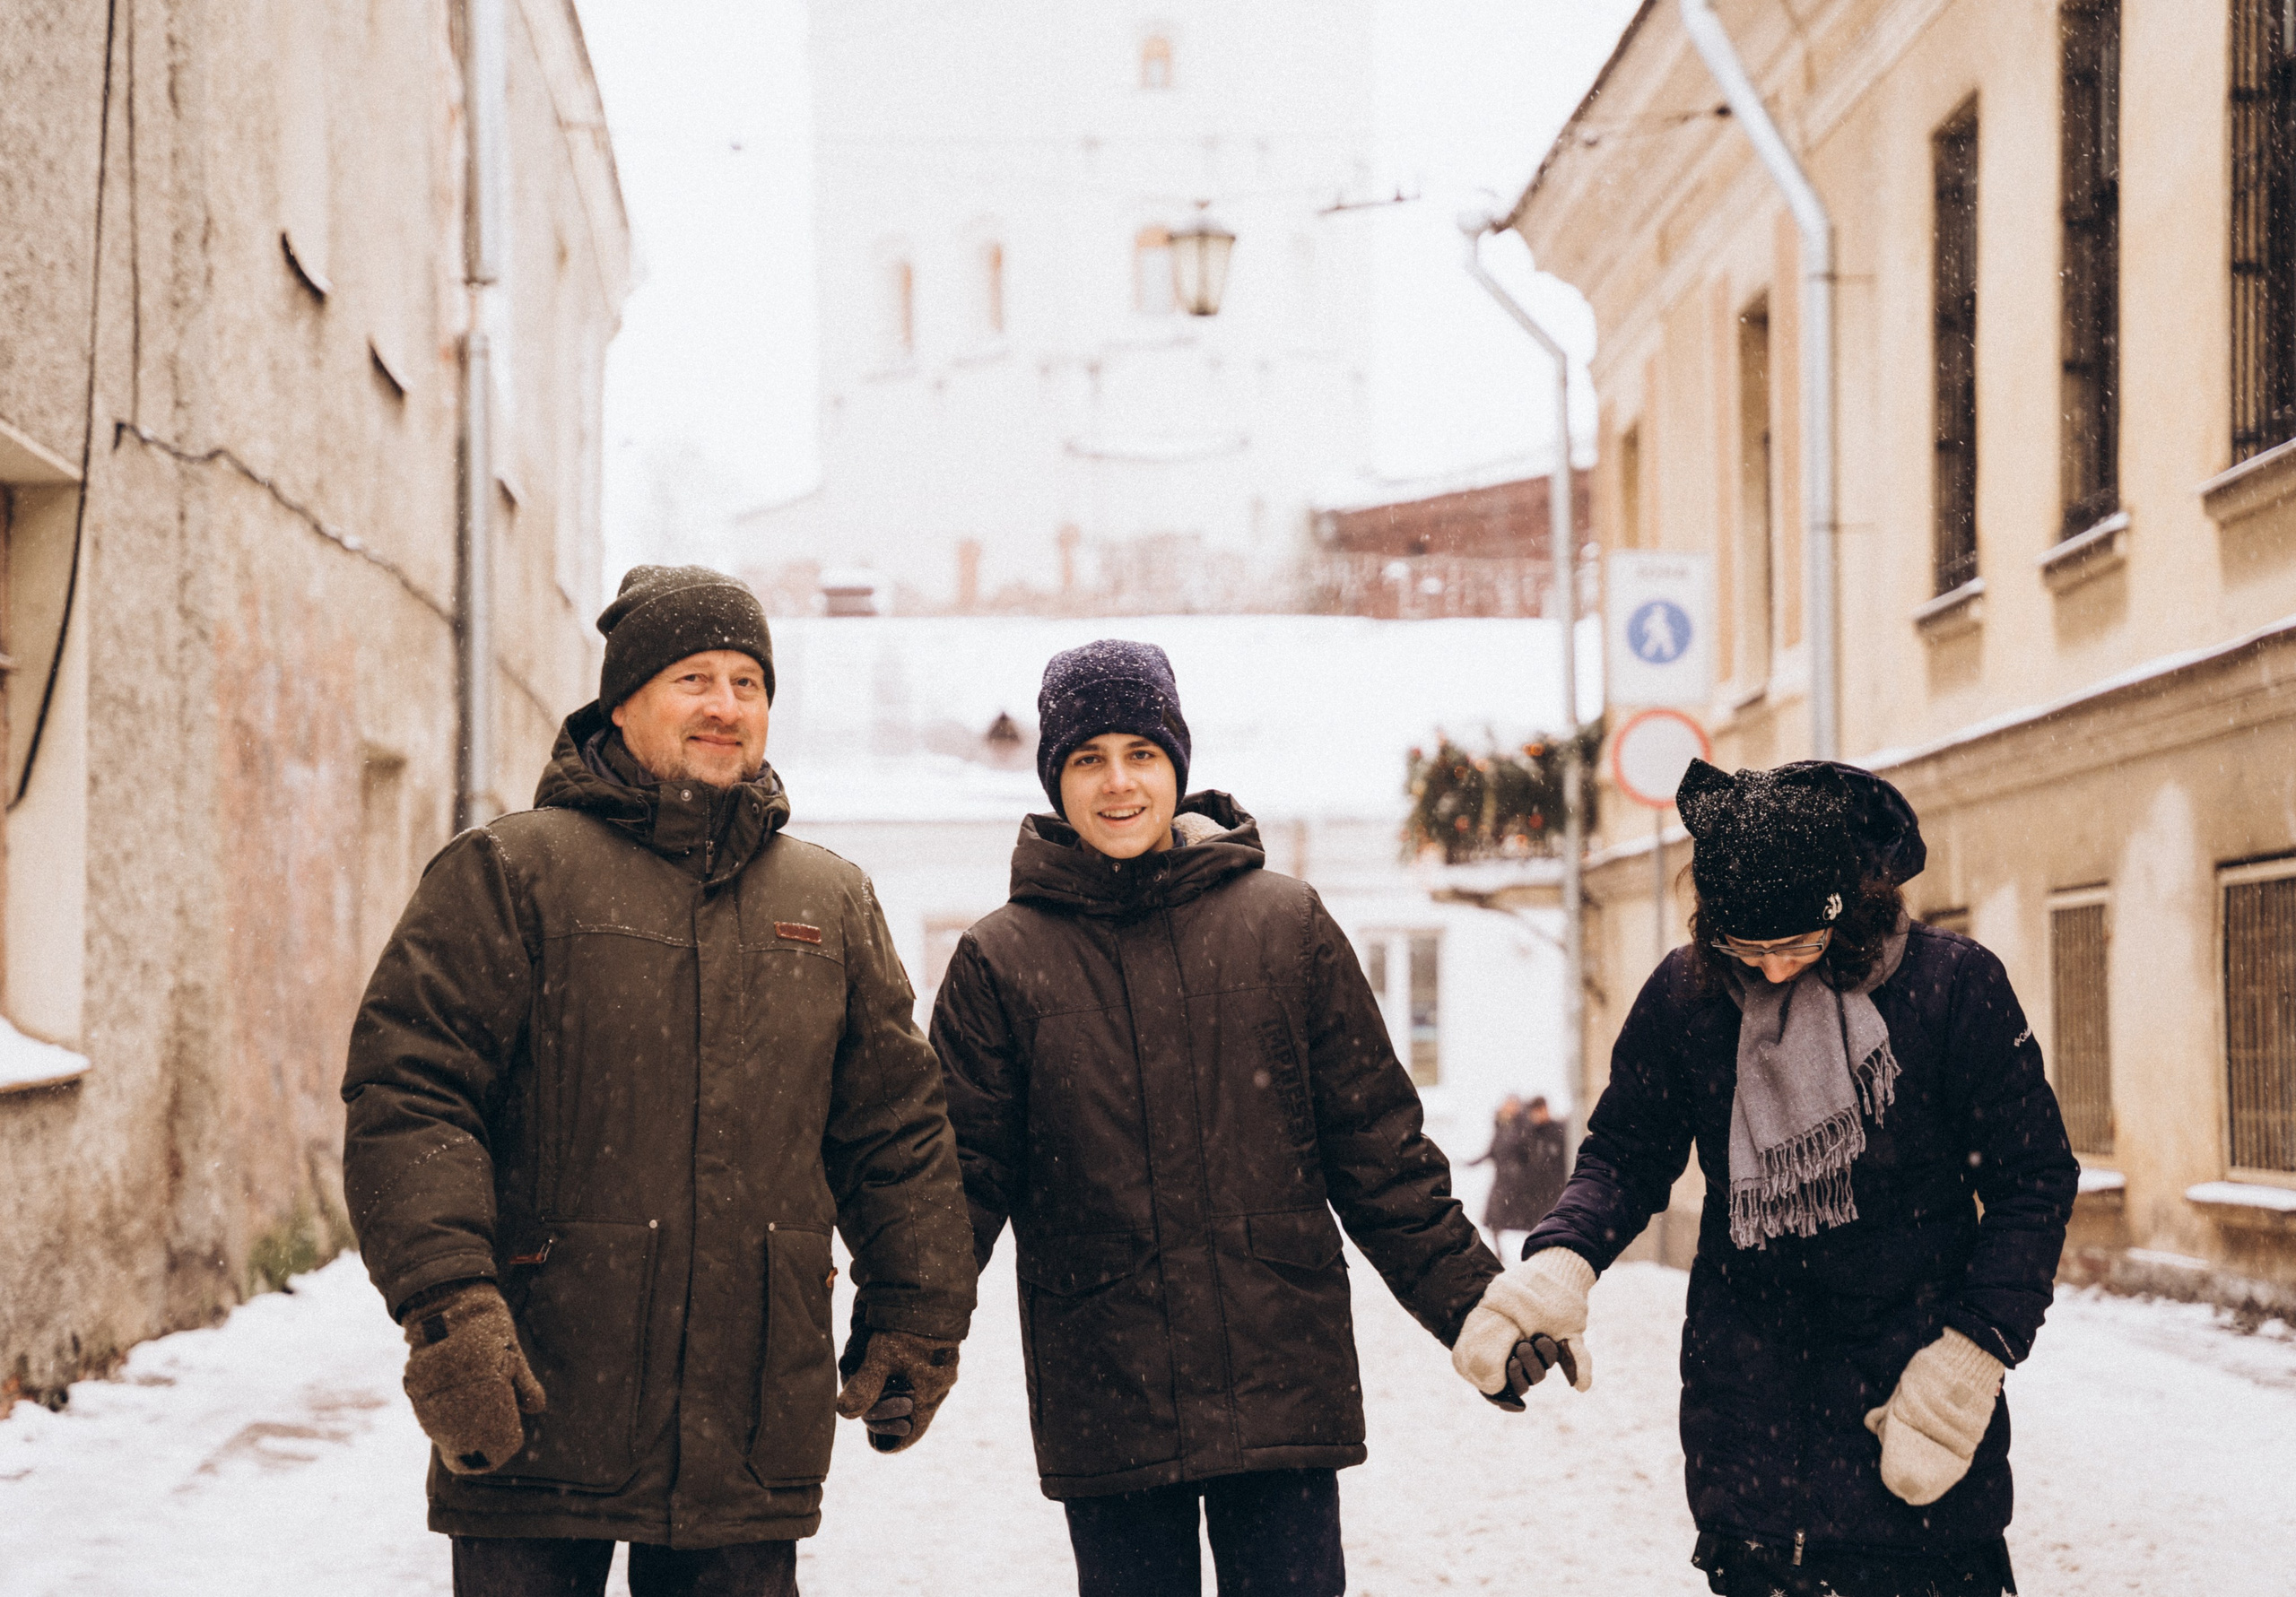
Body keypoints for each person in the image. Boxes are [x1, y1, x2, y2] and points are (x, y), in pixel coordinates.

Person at [342, 565, 978, 1597]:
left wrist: (918, 1308)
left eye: (747, 682)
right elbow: (411, 1092)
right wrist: (449, 1307)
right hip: (538, 1397)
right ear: (623, 700)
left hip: (748, 1412)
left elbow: (894, 1130)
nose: (725, 706)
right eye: (693, 677)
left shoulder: (827, 898)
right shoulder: (513, 872)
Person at [931, 639, 1505, 1597]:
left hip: (1276, 1371)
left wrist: (1472, 1300)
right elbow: (959, 1178)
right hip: (1107, 1380)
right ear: (1054, 779)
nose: (1118, 783)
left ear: (1177, 765)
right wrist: (912, 1327)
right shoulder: (1001, 960)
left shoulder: (1284, 925)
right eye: (1087, 758)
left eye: (1141, 753)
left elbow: (1378, 1149)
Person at [1451, 759, 2077, 1597]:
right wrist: (1556, 1270)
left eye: (1795, 945)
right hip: (1750, 1423)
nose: (1773, 970)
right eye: (1747, 948)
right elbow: (1624, 1155)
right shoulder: (1688, 997)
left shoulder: (1949, 987)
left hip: (1915, 1403)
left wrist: (1969, 1359)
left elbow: (2032, 1181)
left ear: (1846, 911)